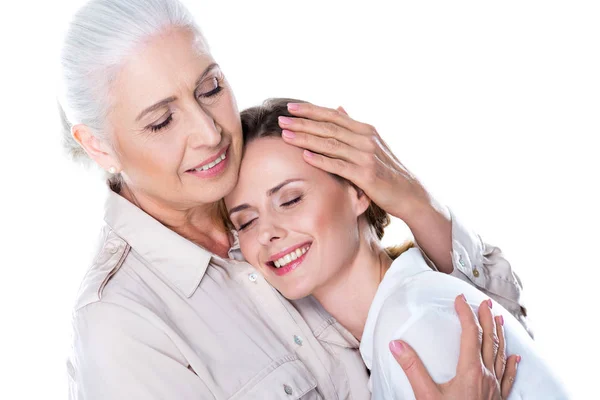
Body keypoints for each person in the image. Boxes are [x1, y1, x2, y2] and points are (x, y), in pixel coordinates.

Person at [61, 0, 527, 398]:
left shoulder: (269, 175)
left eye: (211, 89)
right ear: (98, 145)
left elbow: (505, 331)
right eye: (162, 121)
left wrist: (414, 203)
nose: (209, 133)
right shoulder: (121, 326)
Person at [224, 98, 569, 399]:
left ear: (358, 192)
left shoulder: (413, 325)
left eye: (291, 199)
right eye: (246, 221)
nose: (267, 231)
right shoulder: (394, 321)